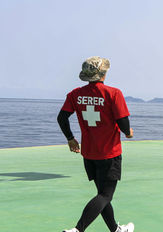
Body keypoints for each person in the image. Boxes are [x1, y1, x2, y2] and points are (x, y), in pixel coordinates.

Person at [57, 56, 135, 232]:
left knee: (102, 195)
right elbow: (123, 122)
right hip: (109, 153)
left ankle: (115, 229)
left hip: (89, 154)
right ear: (103, 74)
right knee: (106, 195)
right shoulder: (113, 93)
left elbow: (61, 117)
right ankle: (78, 230)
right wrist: (128, 133)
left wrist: (70, 138)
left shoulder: (75, 94)